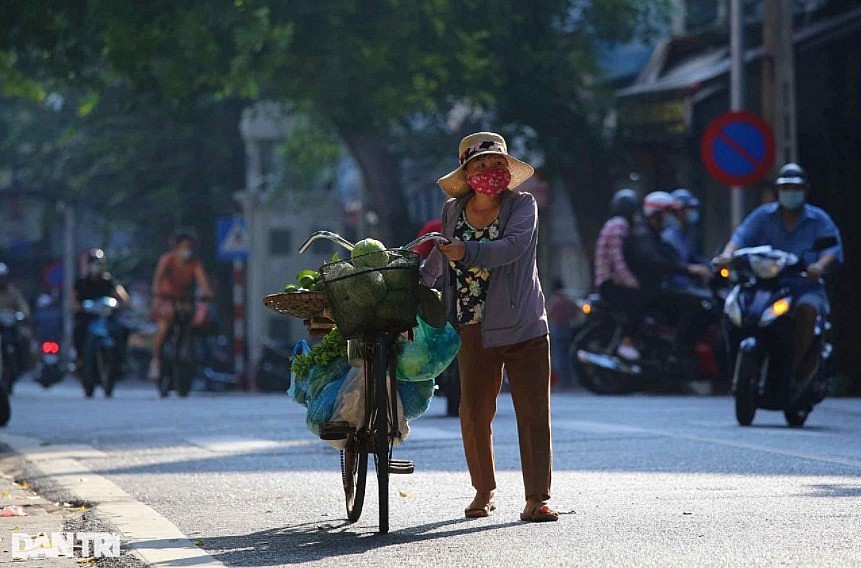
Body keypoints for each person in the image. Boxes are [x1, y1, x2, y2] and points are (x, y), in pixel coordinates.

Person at [421, 131, 557, 522]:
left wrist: (469, 251)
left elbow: (513, 247)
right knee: (474, 411)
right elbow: (441, 254)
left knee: (533, 413)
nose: (489, 171)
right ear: (467, 172)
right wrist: (416, 282)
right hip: (472, 325)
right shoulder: (453, 210)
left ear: (507, 169)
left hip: (524, 324)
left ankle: (537, 498)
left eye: (497, 164)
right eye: (480, 165)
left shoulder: (523, 205)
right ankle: (483, 490)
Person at [715, 162, 843, 393]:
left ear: (805, 189)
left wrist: (819, 266)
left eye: (796, 188)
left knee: (807, 310)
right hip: (767, 287)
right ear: (778, 190)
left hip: (805, 287)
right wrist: (726, 255)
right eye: (786, 188)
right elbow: (740, 238)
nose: (790, 193)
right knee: (736, 308)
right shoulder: (763, 216)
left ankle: (796, 369)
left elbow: (832, 251)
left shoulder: (818, 220)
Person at [149, 231, 213, 380]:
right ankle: (156, 361)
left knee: (191, 322)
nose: (187, 251)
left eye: (189, 247)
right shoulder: (167, 260)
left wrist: (207, 293)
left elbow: (202, 281)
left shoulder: (195, 263)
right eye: (184, 247)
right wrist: (157, 294)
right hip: (167, 300)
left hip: (185, 300)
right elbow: (157, 280)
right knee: (164, 328)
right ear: (176, 247)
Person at [593, 188, 642, 360]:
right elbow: (617, 257)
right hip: (609, 282)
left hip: (607, 282)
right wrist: (630, 280)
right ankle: (626, 343)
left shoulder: (614, 223)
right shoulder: (619, 224)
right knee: (637, 303)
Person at [73, 249, 131, 371]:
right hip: (88, 317)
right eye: (93, 263)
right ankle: (80, 360)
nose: (95, 266)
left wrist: (122, 304)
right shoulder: (81, 282)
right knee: (78, 331)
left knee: (123, 330)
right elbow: (73, 300)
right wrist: (80, 307)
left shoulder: (108, 281)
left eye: (98, 263)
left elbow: (123, 296)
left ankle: (122, 361)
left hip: (106, 316)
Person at [546, 279, 580, 389]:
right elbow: (577, 312)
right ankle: (569, 380)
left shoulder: (554, 301)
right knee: (568, 355)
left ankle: (561, 381)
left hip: (557, 328)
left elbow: (548, 315)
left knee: (558, 356)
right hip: (567, 328)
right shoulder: (569, 301)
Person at [0, 262, 32, 373]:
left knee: (25, 338)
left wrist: (24, 314)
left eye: (2, 278)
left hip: (11, 327)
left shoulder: (13, 292)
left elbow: (22, 306)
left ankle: (23, 364)